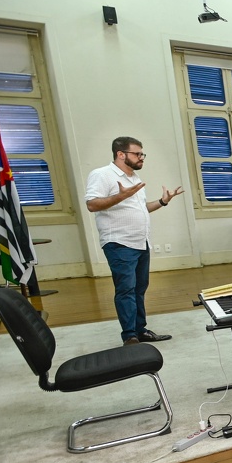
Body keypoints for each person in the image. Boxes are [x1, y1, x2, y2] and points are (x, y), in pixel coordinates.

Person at [84, 136, 184, 345]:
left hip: (141, 242)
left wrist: (163, 202)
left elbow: (141, 209)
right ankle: (129, 336)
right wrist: (120, 197)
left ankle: (141, 330)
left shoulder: (135, 179)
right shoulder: (102, 174)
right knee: (126, 289)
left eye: (142, 154)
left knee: (139, 288)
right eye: (137, 154)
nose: (141, 157)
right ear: (121, 154)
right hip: (119, 242)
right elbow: (92, 205)